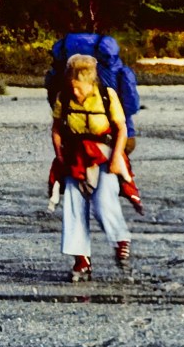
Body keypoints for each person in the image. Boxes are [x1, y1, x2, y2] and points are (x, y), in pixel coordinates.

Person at [51, 54, 138, 282]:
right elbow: (57, 129)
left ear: (90, 83)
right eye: (72, 87)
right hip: (74, 156)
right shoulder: (64, 97)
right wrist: (59, 156)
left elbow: (121, 128)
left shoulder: (107, 97)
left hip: (104, 154)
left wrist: (118, 156)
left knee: (103, 202)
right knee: (73, 205)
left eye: (79, 88)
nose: (76, 93)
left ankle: (121, 240)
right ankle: (81, 260)